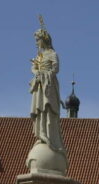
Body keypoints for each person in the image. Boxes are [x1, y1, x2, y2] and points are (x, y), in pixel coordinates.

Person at [30, 19, 64, 153]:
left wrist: (46, 75)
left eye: (37, 40)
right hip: (39, 84)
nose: (36, 43)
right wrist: (37, 73)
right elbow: (33, 67)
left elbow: (56, 69)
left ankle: (49, 136)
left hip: (49, 85)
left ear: (43, 40)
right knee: (40, 111)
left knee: (48, 109)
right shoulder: (39, 56)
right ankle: (41, 134)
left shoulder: (52, 54)